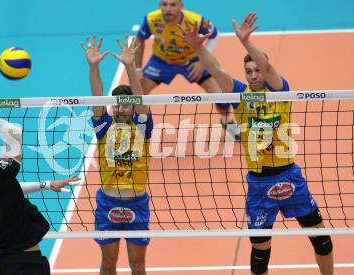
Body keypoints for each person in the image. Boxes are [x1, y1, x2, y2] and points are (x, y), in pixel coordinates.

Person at [178, 12, 334, 275]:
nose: (253, 75)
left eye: (257, 70)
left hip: (289, 176)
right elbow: (216, 69)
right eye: (248, 71)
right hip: (259, 184)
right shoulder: (240, 95)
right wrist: (198, 48)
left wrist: (246, 42)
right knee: (260, 252)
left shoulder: (281, 92)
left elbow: (270, 69)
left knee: (321, 239)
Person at [0, 100, 78, 275]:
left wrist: (46, 185)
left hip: (9, 264)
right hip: (25, 265)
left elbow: (11, 192)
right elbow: (14, 132)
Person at [81, 34, 152, 275]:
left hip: (137, 202)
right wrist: (93, 67)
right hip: (108, 202)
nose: (123, 107)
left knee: (137, 264)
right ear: (112, 106)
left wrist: (130, 66)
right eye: (118, 103)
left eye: (127, 103)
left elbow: (142, 101)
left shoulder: (142, 127)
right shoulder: (103, 127)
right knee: (108, 263)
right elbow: (97, 98)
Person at [135, 0, 239, 140]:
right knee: (137, 95)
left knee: (219, 96)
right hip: (161, 61)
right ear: (160, 6)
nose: (168, 9)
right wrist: (137, 68)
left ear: (181, 7)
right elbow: (139, 40)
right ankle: (139, 129)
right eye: (164, 4)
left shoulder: (194, 20)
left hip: (192, 60)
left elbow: (214, 34)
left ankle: (228, 121)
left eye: (172, 5)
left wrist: (202, 62)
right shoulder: (151, 19)